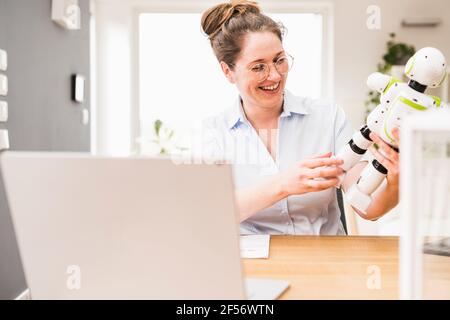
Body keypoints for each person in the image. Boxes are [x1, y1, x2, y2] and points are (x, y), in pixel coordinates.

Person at [200, 0, 400, 235]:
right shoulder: (213, 133)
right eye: (258, 67)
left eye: (279, 60)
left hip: (325, 261)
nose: (274, 75)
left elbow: (368, 208)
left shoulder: (327, 117)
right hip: (253, 264)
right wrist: (284, 184)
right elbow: (208, 213)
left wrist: (396, 181)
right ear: (228, 72)